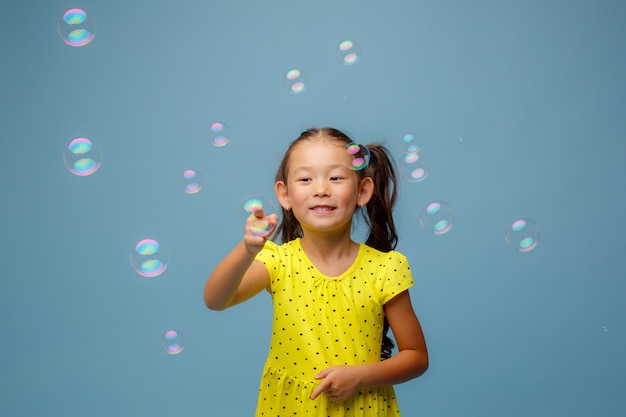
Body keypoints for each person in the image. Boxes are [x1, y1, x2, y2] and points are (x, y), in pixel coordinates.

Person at [204, 127, 428, 416]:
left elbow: (417, 357)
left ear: (363, 191)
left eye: (335, 177)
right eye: (306, 178)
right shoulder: (278, 261)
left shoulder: (385, 268)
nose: (321, 189)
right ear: (284, 195)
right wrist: (247, 250)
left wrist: (361, 376)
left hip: (362, 408)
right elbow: (215, 300)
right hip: (291, 408)